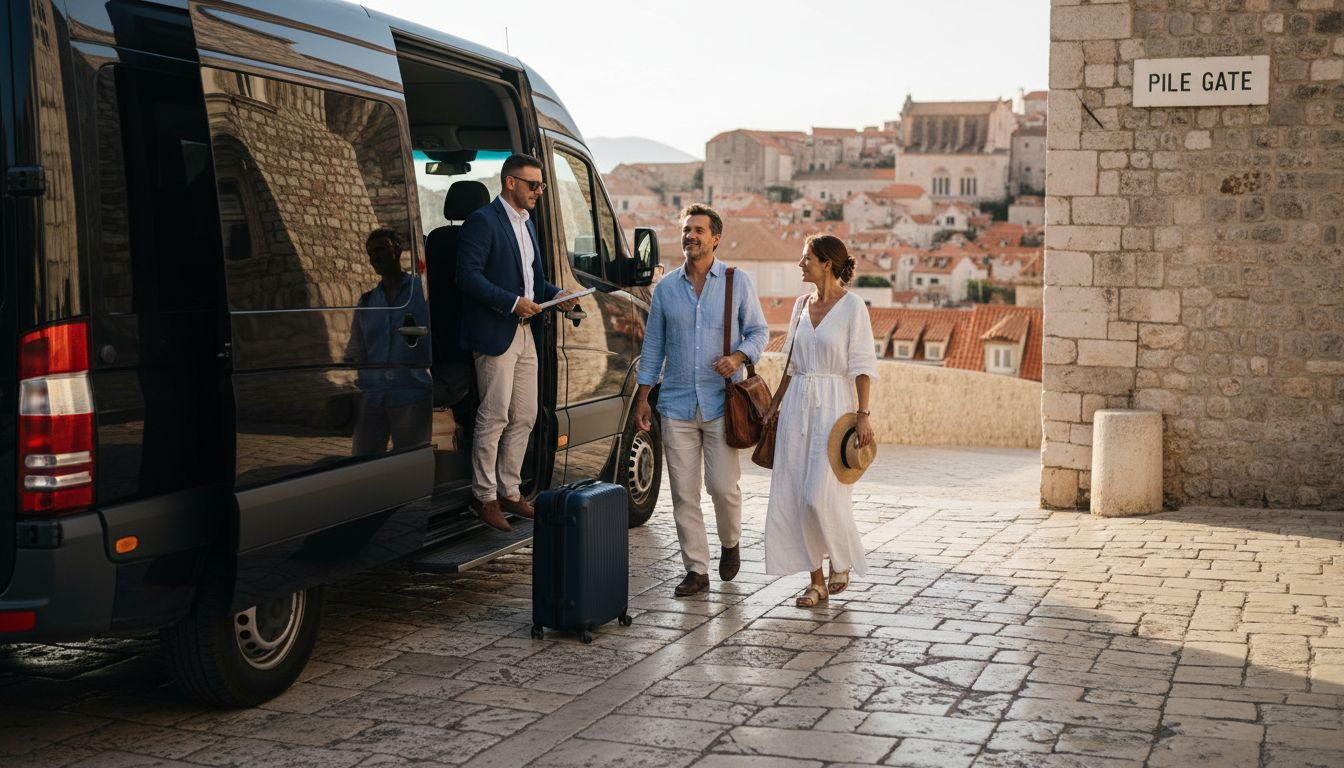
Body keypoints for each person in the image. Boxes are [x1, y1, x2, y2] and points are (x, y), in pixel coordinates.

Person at [633, 204, 769, 597]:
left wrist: (738, 357)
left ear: (715, 239)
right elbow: (653, 346)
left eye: (699, 230)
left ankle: (730, 541)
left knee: (723, 488)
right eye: (686, 230)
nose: (690, 236)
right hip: (675, 404)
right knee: (683, 493)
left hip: (721, 404)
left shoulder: (736, 282)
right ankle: (696, 569)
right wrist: (643, 398)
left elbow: (759, 332)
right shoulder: (666, 289)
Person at [457, 154, 576, 532]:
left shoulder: (528, 225)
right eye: (533, 185)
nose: (539, 191)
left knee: (525, 414)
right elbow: (467, 276)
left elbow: (534, 283)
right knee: (494, 415)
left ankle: (509, 490)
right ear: (510, 183)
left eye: (542, 185)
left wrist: (558, 295)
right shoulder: (483, 221)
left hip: (525, 333)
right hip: (496, 332)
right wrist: (511, 303)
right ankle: (484, 496)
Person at [764, 234, 877, 608]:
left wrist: (863, 415)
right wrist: (775, 405)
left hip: (833, 408)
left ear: (827, 264)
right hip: (797, 407)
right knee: (797, 496)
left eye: (806, 258)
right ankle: (816, 582)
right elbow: (791, 364)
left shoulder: (853, 307)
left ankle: (840, 560)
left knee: (819, 496)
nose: (800, 264)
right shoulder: (800, 305)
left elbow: (862, 365)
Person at [346, 227, 432, 456]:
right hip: (373, 397)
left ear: (397, 251)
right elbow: (356, 349)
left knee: (411, 460)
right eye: (371, 253)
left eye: (381, 250)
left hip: (411, 394)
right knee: (363, 460)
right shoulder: (367, 302)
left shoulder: (420, 291)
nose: (375, 256)